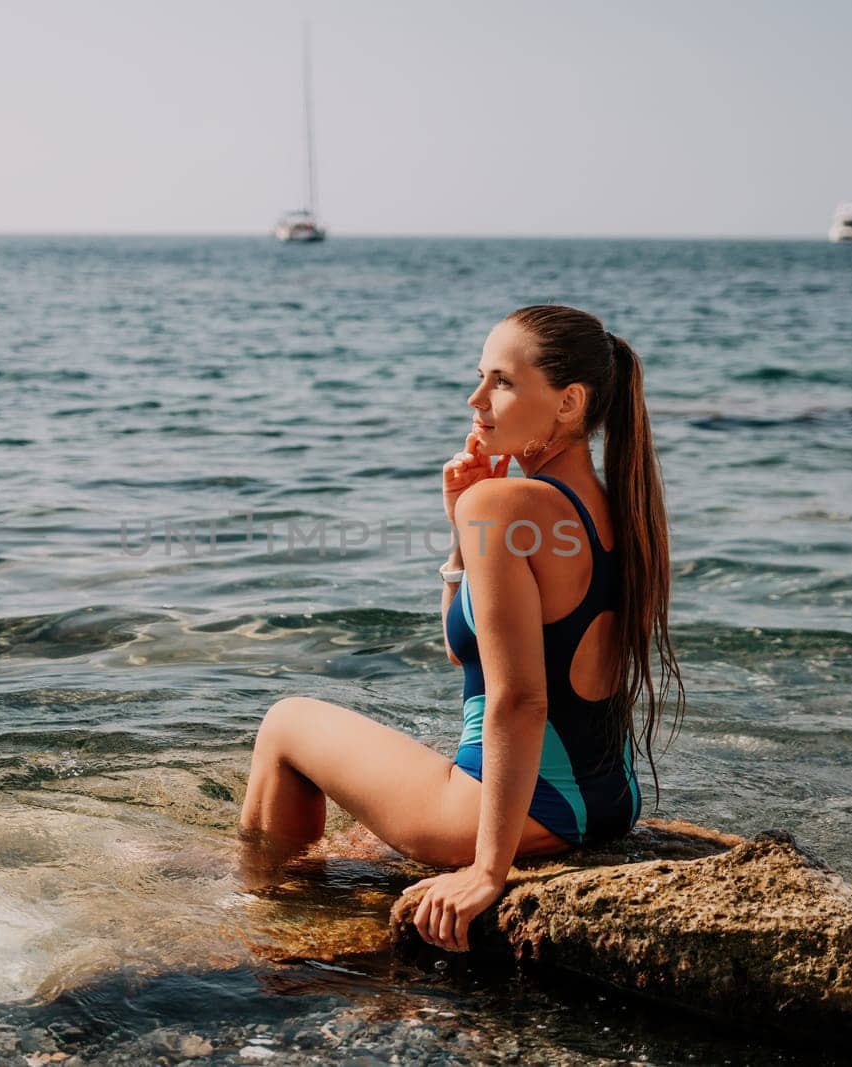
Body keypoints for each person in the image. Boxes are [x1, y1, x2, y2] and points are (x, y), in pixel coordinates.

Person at [239, 305, 683, 952]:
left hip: (501, 813)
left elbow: (519, 700)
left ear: (569, 403)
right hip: (608, 802)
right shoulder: (622, 509)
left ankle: (258, 914)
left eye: (501, 382)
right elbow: (465, 653)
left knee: (284, 723)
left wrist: (485, 870)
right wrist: (459, 533)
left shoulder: (502, 505)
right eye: (480, 377)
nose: (476, 398)